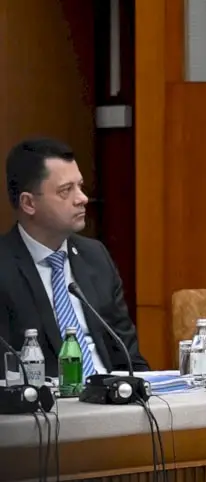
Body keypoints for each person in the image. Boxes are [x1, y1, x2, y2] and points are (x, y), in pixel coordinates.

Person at [0, 138, 148, 378]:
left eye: (80, 186)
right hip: (48, 398)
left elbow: (129, 356)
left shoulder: (95, 256)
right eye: (65, 190)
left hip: (111, 393)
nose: (82, 198)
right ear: (28, 203)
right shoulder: (5, 266)